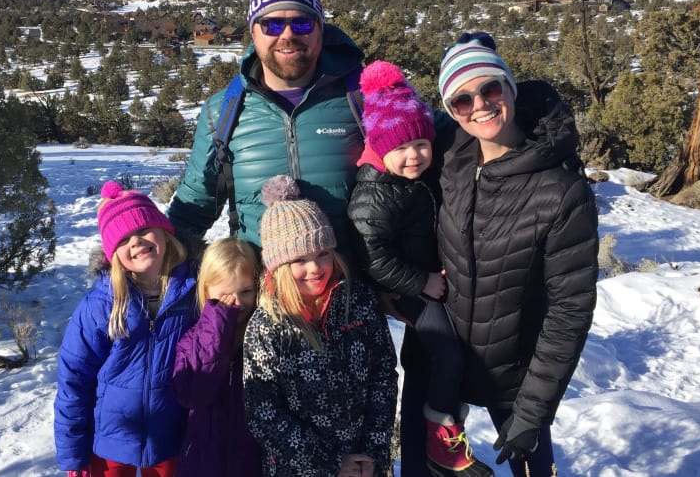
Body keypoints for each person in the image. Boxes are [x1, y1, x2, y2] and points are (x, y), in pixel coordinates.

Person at [435, 33, 599, 477]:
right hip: (447, 363)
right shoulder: (452, 159)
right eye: (462, 100)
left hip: (515, 380)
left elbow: (570, 308)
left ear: (510, 87)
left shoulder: (560, 190)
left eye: (490, 88)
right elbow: (389, 147)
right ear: (451, 112)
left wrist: (533, 411)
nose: (480, 105)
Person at [347, 61, 493, 477]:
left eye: (421, 145)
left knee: (433, 358)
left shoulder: (415, 178)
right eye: (400, 148)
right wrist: (422, 281)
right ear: (379, 147)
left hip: (426, 279)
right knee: (446, 351)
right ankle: (441, 437)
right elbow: (372, 256)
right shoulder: (375, 193)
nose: (413, 157)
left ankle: (430, 443)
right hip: (408, 286)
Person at [167, 0, 365, 259]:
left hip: (353, 289)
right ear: (253, 32)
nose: (287, 35)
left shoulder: (365, 96)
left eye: (302, 23)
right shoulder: (222, 112)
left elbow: (443, 148)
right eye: (271, 25)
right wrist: (143, 261)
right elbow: (193, 208)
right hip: (261, 294)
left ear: (320, 29)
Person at [243, 175, 398, 477]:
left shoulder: (360, 301)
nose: (315, 268)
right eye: (300, 259)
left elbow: (382, 375)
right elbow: (263, 412)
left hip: (364, 464)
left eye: (322, 254)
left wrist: (372, 451)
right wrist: (329, 463)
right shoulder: (268, 325)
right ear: (279, 265)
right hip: (301, 469)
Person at [55, 181, 198, 477]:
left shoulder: (195, 291)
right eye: (124, 239)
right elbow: (73, 380)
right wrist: (73, 453)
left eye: (144, 229)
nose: (136, 242)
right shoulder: (101, 304)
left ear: (164, 233)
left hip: (171, 436)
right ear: (112, 253)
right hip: (109, 441)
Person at [172, 237, 262, 477]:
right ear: (206, 290)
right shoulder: (193, 338)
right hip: (203, 462)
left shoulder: (261, 335)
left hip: (250, 462)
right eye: (224, 296)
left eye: (246, 292)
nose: (237, 303)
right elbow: (193, 393)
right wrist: (218, 325)